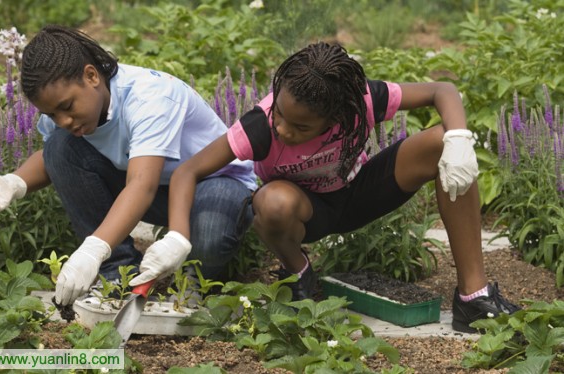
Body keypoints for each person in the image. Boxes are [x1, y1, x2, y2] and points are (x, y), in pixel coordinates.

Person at [144, 41, 520, 334]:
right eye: (281, 116)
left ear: (338, 116)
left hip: (360, 193)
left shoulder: (361, 101)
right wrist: (178, 235)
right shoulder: (261, 126)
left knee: (443, 143)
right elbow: (187, 171)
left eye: (300, 127)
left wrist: (458, 137)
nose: (283, 129)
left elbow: (443, 90)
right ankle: (299, 271)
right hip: (304, 212)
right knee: (271, 201)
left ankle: (473, 297)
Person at [0, 25, 256, 306]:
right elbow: (53, 156)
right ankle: (117, 274)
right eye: (51, 114)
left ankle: (195, 280)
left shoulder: (149, 98)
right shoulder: (70, 116)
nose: (62, 120)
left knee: (209, 232)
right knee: (60, 146)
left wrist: (92, 249)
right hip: (159, 190)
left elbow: (142, 184)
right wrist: (14, 182)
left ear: (91, 76)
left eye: (67, 107)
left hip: (218, 186)